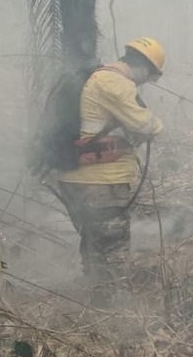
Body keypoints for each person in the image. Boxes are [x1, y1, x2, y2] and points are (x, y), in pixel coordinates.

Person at [57, 37, 165, 299]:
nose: (144, 83)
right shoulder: (115, 83)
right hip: (100, 182)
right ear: (144, 68)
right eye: (150, 77)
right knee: (112, 248)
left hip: (79, 180)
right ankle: (111, 308)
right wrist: (156, 125)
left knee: (93, 242)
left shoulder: (98, 77)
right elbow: (146, 125)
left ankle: (94, 299)